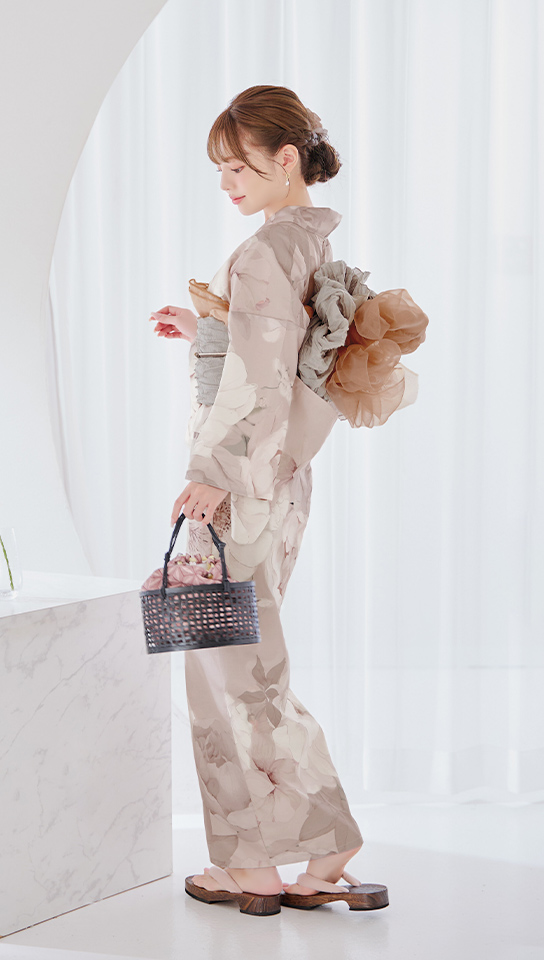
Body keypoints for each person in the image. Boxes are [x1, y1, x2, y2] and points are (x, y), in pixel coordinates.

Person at [149, 85, 387, 916]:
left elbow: (259, 378)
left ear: (286, 160)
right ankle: (270, 857)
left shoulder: (262, 251)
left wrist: (214, 469)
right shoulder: (306, 243)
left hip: (240, 480)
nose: (226, 184)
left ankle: (299, 848)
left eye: (238, 167)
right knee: (247, 661)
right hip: (280, 478)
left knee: (230, 667)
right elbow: (278, 352)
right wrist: (205, 330)